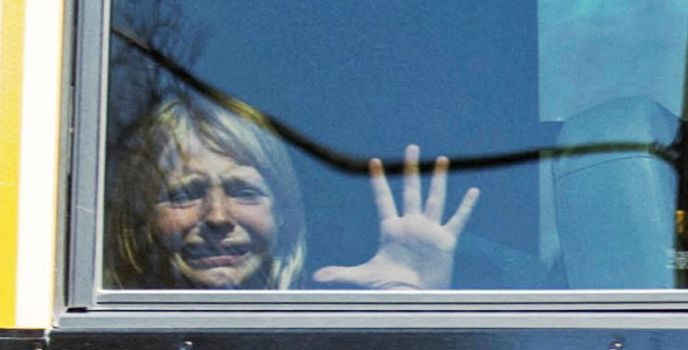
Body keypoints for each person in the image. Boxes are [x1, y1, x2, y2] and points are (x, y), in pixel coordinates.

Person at [107, 93, 479, 290]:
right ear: (141, 218)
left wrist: (409, 297)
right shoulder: (105, 345)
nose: (217, 216)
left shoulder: (328, 330)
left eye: (244, 191)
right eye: (186, 193)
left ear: (283, 215)